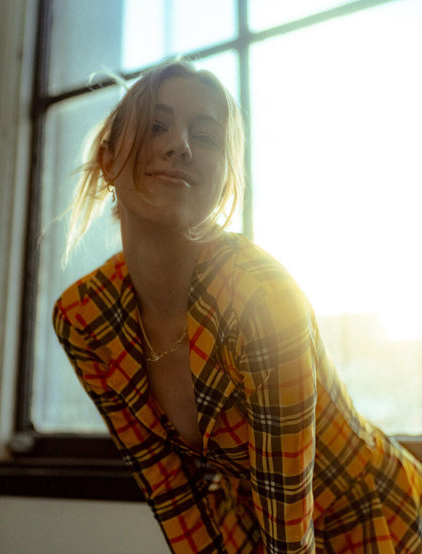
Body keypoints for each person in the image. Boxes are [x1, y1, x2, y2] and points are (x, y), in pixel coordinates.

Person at [53, 60, 422, 553]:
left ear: (225, 179)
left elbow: (290, 530)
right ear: (107, 157)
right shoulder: (83, 318)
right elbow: (171, 496)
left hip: (374, 519)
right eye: (157, 126)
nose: (180, 145)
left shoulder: (261, 297)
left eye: (205, 137)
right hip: (246, 522)